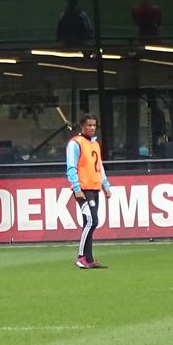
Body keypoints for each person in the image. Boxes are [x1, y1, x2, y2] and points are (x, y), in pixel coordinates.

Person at [67, 114, 110, 269]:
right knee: (93, 221)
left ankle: (89, 259)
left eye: (94, 125)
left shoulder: (95, 144)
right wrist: (76, 188)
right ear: (82, 126)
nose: (92, 128)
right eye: (89, 125)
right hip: (83, 189)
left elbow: (99, 166)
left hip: (94, 187)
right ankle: (80, 257)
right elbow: (71, 167)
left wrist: (105, 185)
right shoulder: (75, 143)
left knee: (89, 222)